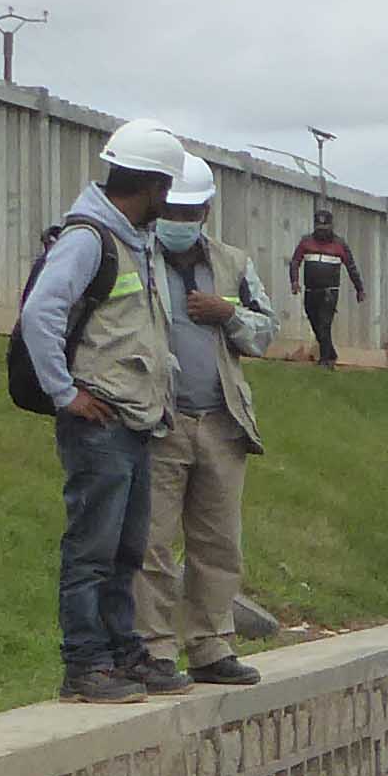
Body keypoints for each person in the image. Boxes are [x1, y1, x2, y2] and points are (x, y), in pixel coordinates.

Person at [19, 120, 194, 703]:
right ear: (150, 186)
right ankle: (85, 664)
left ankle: (124, 654)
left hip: (135, 422)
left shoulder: (131, 241)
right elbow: (41, 313)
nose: (168, 204)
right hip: (99, 423)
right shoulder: (90, 238)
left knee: (126, 549)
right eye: (166, 190)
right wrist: (65, 393)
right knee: (92, 548)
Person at [142, 147, 280, 684]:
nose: (179, 222)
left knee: (218, 542)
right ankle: (153, 649)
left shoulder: (232, 263)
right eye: (171, 212)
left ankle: (209, 645)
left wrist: (228, 314)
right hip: (159, 420)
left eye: (188, 213)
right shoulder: (135, 257)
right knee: (151, 540)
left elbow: (266, 330)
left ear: (204, 211)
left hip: (222, 422)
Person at [288, 207, 364, 367]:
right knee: (314, 322)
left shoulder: (340, 244)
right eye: (319, 228)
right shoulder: (306, 242)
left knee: (324, 324)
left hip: (330, 291)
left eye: (325, 228)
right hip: (310, 291)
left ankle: (325, 361)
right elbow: (295, 261)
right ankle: (331, 353)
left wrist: (359, 289)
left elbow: (351, 267)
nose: (322, 232)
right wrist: (294, 281)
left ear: (331, 227)